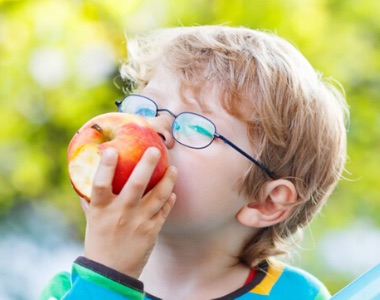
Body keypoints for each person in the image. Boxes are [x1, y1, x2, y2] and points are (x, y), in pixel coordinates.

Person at [41, 25, 348, 299]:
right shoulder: (69, 291)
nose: (154, 128)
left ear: (265, 202)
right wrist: (105, 278)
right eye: (146, 109)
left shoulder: (296, 296)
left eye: (196, 127)